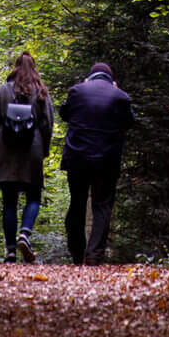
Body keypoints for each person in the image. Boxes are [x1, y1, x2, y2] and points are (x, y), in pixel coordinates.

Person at [59, 60, 136, 266]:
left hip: (77, 158)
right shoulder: (120, 96)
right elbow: (130, 122)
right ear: (111, 79)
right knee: (102, 205)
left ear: (91, 76)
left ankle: (77, 253)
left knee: (77, 203)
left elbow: (64, 114)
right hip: (107, 160)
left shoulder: (76, 91)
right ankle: (94, 254)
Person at [0, 50, 55, 262]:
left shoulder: (2, 91)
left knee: (9, 201)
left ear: (15, 68)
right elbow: (48, 124)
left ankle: (11, 250)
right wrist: (44, 150)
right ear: (34, 69)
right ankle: (25, 233)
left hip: (5, 151)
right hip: (32, 151)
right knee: (33, 195)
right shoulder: (41, 93)